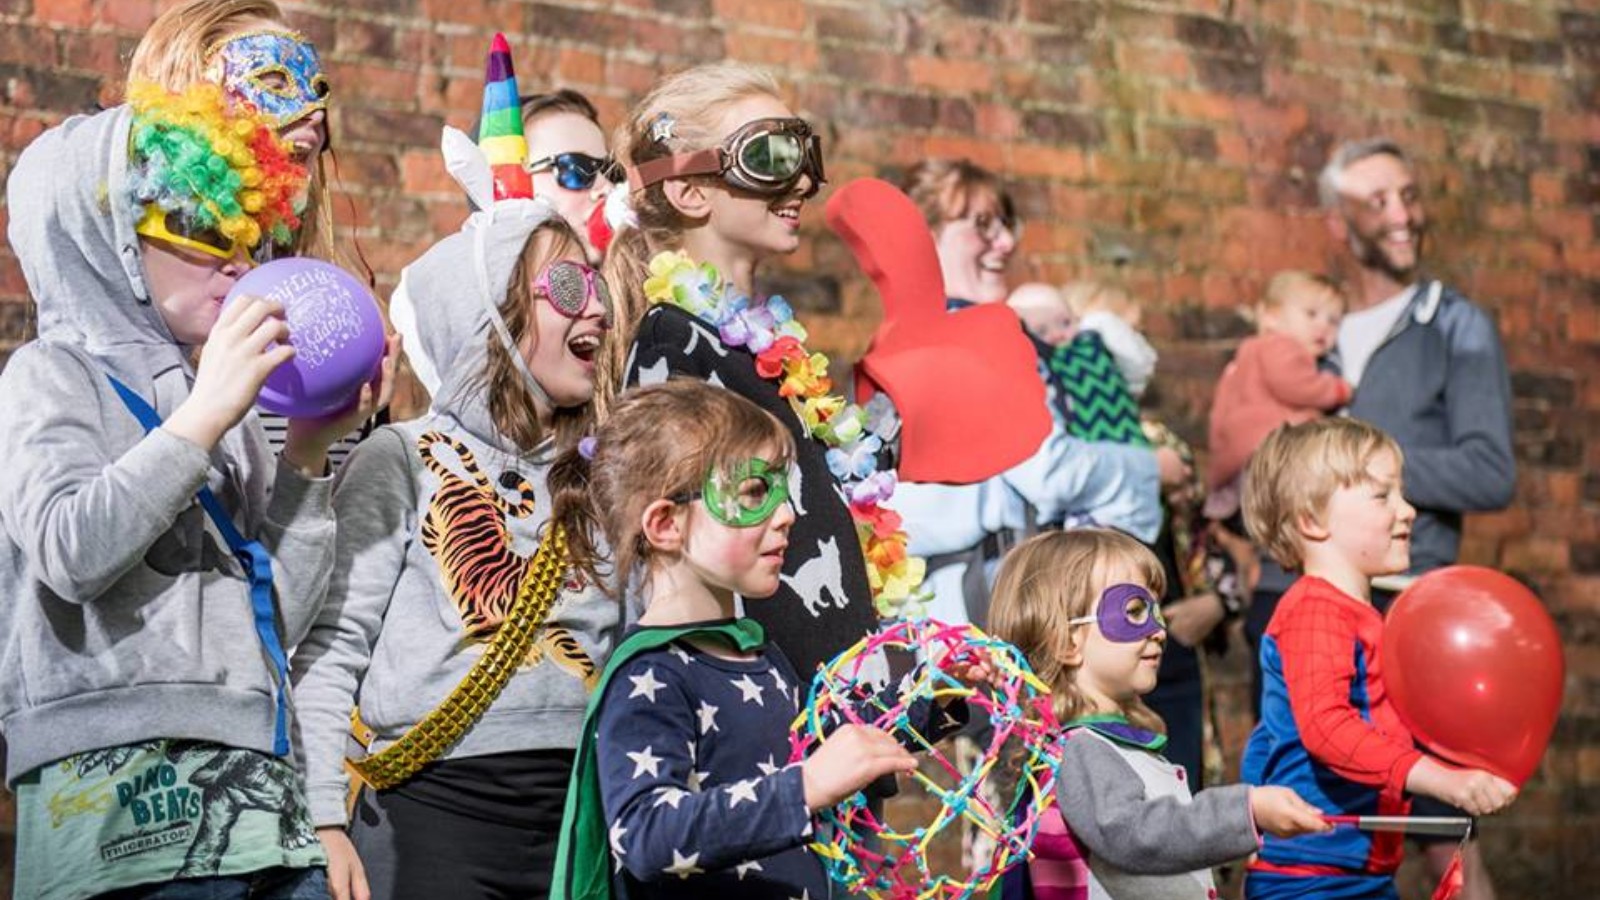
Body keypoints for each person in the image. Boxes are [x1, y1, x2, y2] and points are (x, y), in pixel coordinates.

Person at [0, 77, 392, 900]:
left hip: (258, 802)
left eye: (248, 230)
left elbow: (269, 615)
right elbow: (71, 551)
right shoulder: (51, 376)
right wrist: (203, 416)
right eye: (200, 225)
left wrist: (308, 461)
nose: (240, 260)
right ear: (107, 232)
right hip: (113, 814)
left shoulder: (227, 407)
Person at [291, 57, 621, 900]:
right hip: (430, 818)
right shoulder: (398, 458)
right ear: (492, 315)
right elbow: (331, 652)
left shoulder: (610, 474)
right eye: (567, 285)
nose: (598, 309)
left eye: (597, 287)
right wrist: (325, 819)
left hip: (583, 819)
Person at [546, 379, 968, 899]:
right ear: (665, 525)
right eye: (753, 492)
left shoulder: (760, 656)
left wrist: (941, 693)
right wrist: (804, 788)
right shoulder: (651, 675)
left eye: (782, 489)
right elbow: (648, 836)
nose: (787, 513)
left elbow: (842, 743)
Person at [604, 62, 888, 679]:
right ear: (689, 190)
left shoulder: (764, 349)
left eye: (803, 152)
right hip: (760, 717)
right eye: (768, 156)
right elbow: (683, 556)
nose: (802, 181)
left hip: (831, 713)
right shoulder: (674, 343)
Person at [1240, 419, 1517, 900]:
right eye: (1382, 495)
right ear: (1312, 520)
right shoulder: (1316, 612)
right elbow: (1327, 729)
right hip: (1312, 880)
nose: (1408, 510)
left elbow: (1266, 737)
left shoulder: (1353, 615)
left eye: (1401, 493)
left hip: (1355, 874)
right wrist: (1443, 782)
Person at [988, 529, 1329, 899]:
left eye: (1155, 609)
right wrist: (1245, 811)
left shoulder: (1109, 744)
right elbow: (1137, 834)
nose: (1159, 630)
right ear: (1066, 643)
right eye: (1134, 611)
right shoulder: (1081, 751)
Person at [1205, 271, 1350, 523]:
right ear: (1271, 316)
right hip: (1271, 448)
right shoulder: (1281, 346)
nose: (1323, 327)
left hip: (1242, 453)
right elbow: (1296, 385)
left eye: (1334, 321)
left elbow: (1219, 413)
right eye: (1311, 314)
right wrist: (1338, 389)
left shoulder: (1244, 355)